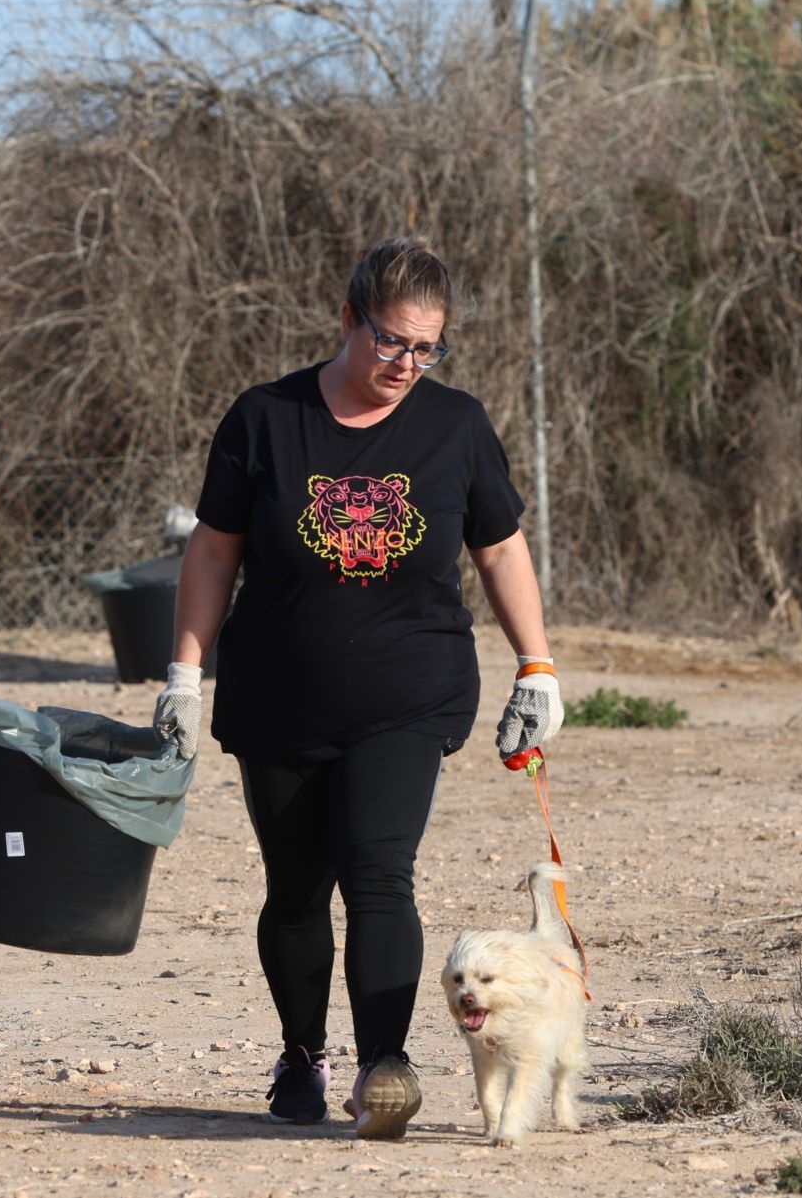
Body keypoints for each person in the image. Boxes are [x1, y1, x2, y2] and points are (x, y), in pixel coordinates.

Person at [152, 238, 564, 1140]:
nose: (407, 365)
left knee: (380, 873)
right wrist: (185, 671)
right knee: (296, 886)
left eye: (428, 349)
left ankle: (386, 1063)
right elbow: (214, 547)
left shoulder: (455, 426)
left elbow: (498, 547)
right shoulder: (266, 418)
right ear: (347, 320)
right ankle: (302, 1054)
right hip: (276, 692)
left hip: (407, 691)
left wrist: (537, 665)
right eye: (391, 343)